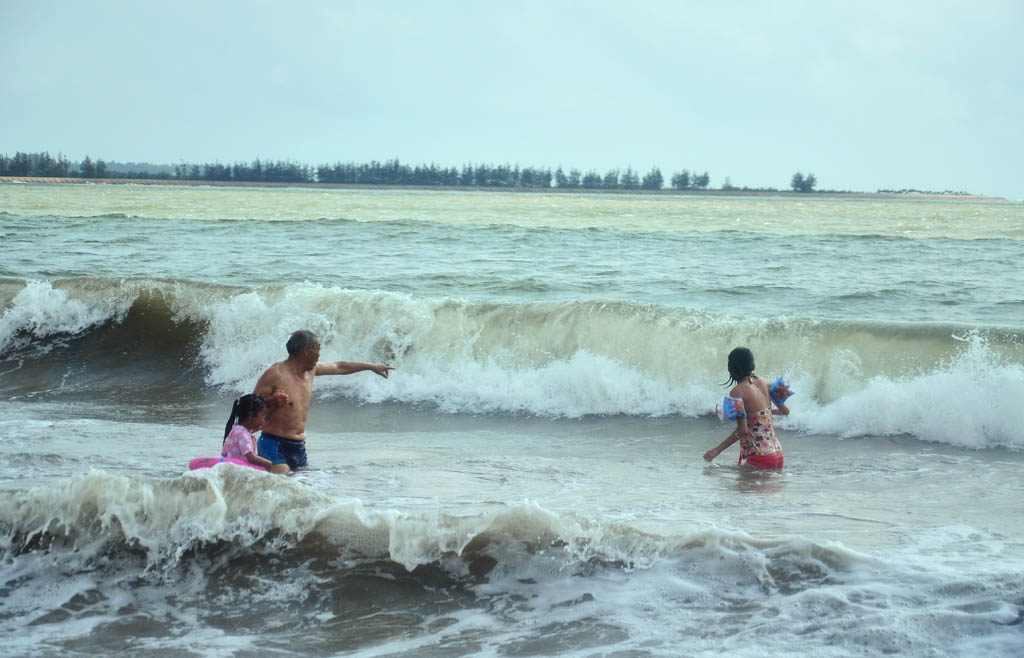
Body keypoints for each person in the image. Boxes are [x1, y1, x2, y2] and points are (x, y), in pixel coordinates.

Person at [253, 330, 394, 470]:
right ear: (306, 351)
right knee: (282, 481)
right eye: (318, 349)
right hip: (273, 442)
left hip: (298, 446)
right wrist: (272, 400)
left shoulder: (311, 371)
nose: (319, 354)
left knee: (301, 486)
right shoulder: (275, 374)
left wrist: (371, 366)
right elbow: (251, 406)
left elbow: (340, 367)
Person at [703, 347, 789, 469]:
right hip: (778, 455)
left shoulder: (737, 391)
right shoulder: (765, 381)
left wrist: (716, 450)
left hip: (759, 457)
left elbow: (742, 431)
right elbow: (785, 411)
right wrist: (761, 414)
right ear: (752, 365)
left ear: (732, 368)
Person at [222, 394, 290, 473]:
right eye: (263, 416)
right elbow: (251, 457)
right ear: (251, 417)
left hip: (234, 470)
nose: (264, 420)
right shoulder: (242, 434)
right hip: (238, 472)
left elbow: (224, 453)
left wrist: (275, 406)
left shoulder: (237, 430)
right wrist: (269, 464)